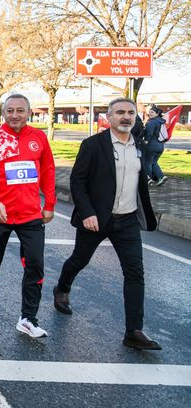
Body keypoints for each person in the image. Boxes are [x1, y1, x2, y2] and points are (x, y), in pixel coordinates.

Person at [54, 98, 161, 350]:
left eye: (131, 113)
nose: (126, 117)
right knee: (79, 259)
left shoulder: (140, 147)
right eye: (120, 113)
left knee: (135, 272)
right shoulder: (93, 145)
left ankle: (133, 331)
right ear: (109, 117)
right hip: (96, 219)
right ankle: (62, 287)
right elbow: (78, 182)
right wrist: (87, 212)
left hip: (127, 220)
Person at [0, 94, 55, 338]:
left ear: (28, 112)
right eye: (10, 110)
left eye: (20, 110)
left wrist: (49, 203)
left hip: (30, 214)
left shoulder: (38, 137)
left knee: (35, 264)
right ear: (3, 113)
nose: (15, 115)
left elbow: (49, 169)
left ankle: (28, 317)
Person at [143, 106, 167, 186]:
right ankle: (161, 177)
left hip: (152, 145)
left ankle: (148, 180)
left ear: (157, 113)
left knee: (148, 163)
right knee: (154, 162)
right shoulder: (161, 121)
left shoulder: (152, 122)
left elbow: (149, 134)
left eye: (152, 112)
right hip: (160, 145)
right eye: (149, 112)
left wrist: (146, 141)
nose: (150, 113)